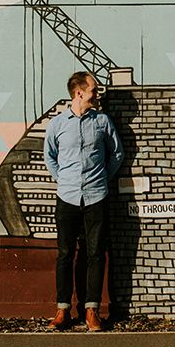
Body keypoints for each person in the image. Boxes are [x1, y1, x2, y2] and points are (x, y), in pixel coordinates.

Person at [44, 71, 124, 331]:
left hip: (96, 196)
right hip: (67, 197)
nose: (97, 94)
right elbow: (50, 158)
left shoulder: (102, 121)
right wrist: (64, 180)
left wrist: (101, 179)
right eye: (93, 90)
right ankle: (62, 310)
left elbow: (117, 154)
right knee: (65, 254)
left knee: (95, 254)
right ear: (79, 92)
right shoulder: (57, 124)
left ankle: (92, 310)